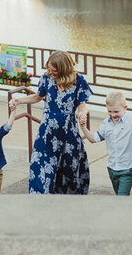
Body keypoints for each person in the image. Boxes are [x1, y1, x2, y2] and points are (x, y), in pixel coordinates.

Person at [9, 50, 92, 194]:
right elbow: (38, 97)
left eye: (54, 70)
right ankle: (41, 199)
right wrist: (18, 100)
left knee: (69, 171)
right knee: (42, 168)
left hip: (68, 134)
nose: (51, 72)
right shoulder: (47, 78)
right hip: (47, 133)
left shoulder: (79, 80)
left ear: (64, 68)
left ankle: (65, 202)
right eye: (49, 69)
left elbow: (82, 106)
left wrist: (82, 115)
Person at [78, 90, 132, 196]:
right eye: (109, 111)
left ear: (125, 108)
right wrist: (83, 127)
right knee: (119, 197)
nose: (113, 115)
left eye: (116, 112)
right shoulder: (106, 124)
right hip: (112, 168)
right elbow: (93, 139)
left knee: (121, 197)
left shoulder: (131, 122)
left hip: (127, 169)